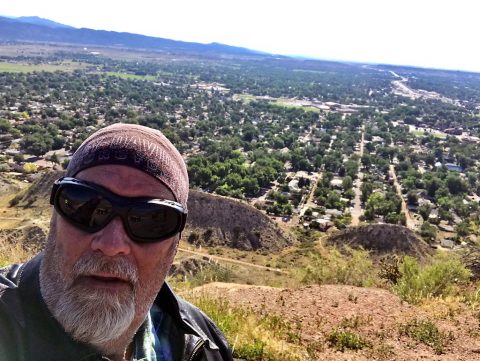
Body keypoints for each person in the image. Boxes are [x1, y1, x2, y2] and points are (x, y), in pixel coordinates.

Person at [0, 123, 233, 361]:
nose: (111, 246)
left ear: (174, 245)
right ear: (54, 219)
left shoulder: (203, 345)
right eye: (85, 206)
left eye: (149, 220)